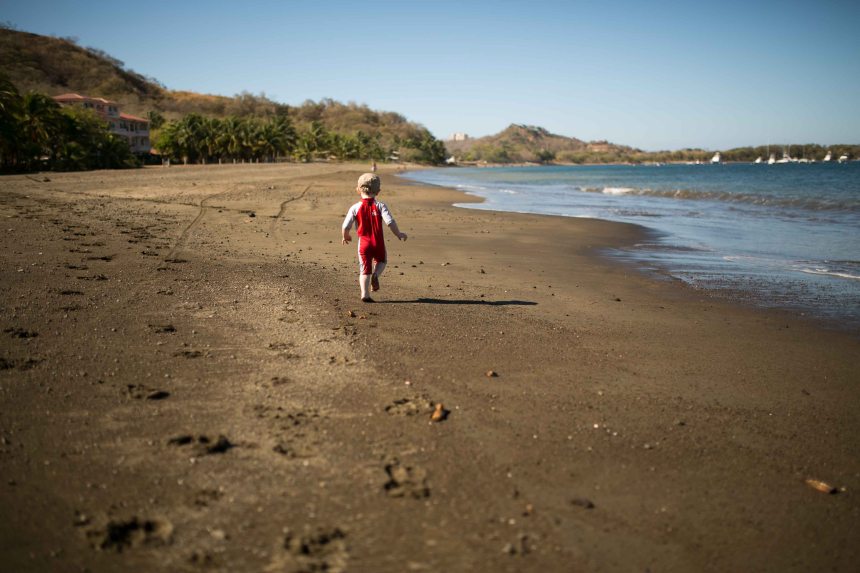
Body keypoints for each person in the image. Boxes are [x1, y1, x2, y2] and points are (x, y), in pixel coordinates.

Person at [341, 173, 407, 302]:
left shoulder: (355, 207)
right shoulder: (381, 206)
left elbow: (345, 226)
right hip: (378, 243)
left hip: (363, 244)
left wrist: (346, 236)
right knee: (382, 261)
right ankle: (376, 274)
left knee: (364, 270)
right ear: (378, 192)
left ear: (358, 189)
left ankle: (365, 294)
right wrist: (398, 234)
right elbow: (390, 222)